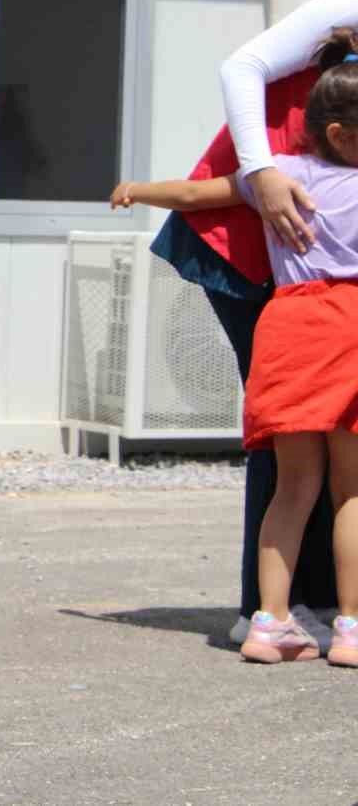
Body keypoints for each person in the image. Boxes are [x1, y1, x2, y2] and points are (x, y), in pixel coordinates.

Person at [110, 33, 358, 667]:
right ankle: (352, 629)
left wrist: (138, 188)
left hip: (290, 327)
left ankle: (269, 624)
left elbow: (197, 195)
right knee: (351, 492)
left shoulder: (282, 175)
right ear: (344, 135)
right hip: (351, 330)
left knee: (293, 487)